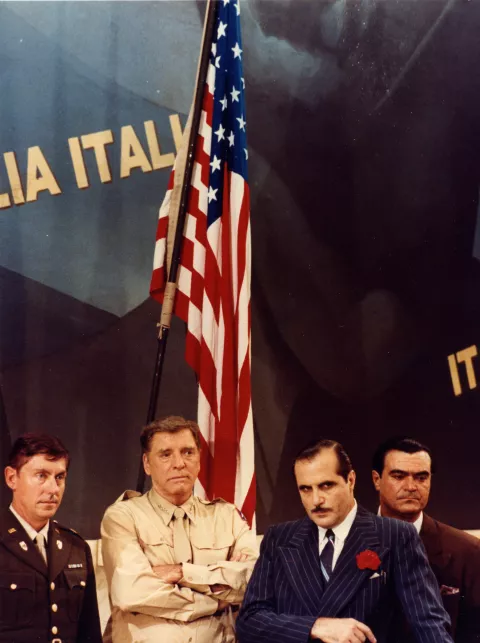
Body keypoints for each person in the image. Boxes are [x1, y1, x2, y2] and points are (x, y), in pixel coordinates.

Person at [236, 438, 453, 643]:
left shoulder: (396, 536)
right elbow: (249, 622)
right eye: (306, 489)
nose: (316, 500)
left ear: (350, 480)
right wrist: (315, 626)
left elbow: (429, 622)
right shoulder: (279, 538)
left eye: (326, 486)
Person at [101, 416, 257, 643]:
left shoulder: (227, 517)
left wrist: (183, 573)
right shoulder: (123, 517)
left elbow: (254, 582)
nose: (179, 463)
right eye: (165, 454)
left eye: (187, 452)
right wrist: (217, 600)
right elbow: (130, 592)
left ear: (199, 460)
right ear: (147, 464)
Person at [372, 436, 480, 643]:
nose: (411, 486)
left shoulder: (467, 551)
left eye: (421, 477)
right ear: (377, 480)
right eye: (399, 476)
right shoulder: (347, 541)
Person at [1, 433, 102, 643]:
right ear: (12, 478)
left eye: (59, 477)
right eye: (41, 475)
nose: (53, 489)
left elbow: (89, 633)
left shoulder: (76, 547)